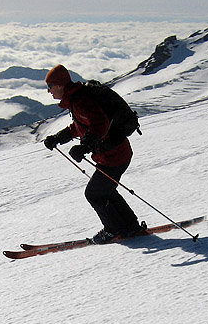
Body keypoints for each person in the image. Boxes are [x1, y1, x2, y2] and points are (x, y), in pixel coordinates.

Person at [42, 64, 143, 244]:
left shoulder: (80, 101)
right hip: (115, 153)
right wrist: (57, 138)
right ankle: (130, 226)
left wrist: (84, 147)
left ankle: (113, 230)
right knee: (105, 191)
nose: (49, 91)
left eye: (49, 87)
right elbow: (80, 127)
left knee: (94, 194)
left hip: (113, 156)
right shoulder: (78, 98)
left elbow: (99, 125)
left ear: (59, 85)